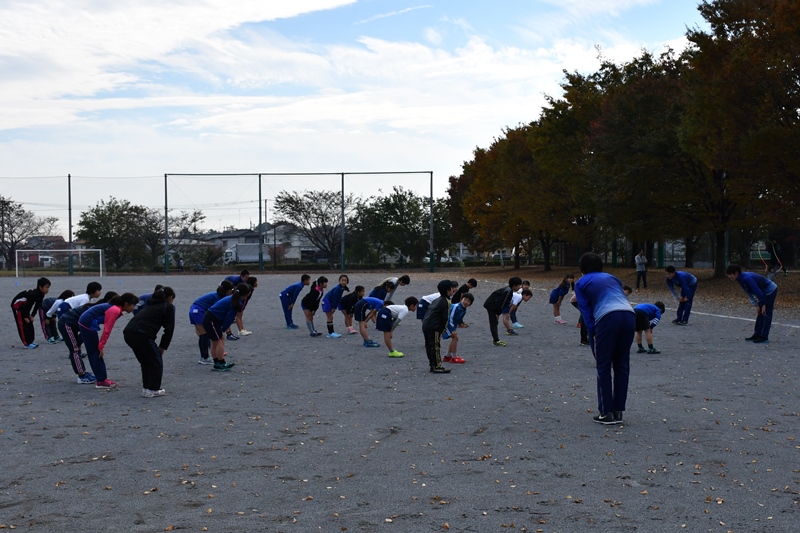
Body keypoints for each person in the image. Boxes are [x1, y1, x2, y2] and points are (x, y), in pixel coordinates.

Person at [574, 252, 635, 425]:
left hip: (607, 319)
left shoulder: (581, 282)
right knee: (622, 365)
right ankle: (618, 411)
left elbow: (585, 310)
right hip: (629, 315)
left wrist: (592, 331)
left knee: (603, 365)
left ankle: (606, 412)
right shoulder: (612, 278)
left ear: (582, 268)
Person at [79, 293, 140, 389]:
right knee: (96, 353)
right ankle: (101, 380)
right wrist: (101, 346)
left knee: (94, 352)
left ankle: (101, 379)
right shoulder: (115, 310)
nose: (134, 308)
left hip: (86, 323)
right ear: (127, 304)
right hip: (87, 324)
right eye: (133, 305)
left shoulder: (116, 308)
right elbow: (107, 330)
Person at [123, 286, 176, 398]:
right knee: (156, 361)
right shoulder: (168, 307)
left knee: (146, 361)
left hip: (128, 332)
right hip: (142, 334)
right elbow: (169, 330)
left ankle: (147, 388)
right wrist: (162, 347)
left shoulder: (150, 305)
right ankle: (153, 389)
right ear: (170, 297)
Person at [58, 292, 118, 384]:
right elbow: (86, 327)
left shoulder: (101, 308)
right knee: (74, 349)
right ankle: (81, 375)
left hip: (75, 324)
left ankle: (84, 372)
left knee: (77, 347)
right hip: (66, 323)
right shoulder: (99, 309)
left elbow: (88, 329)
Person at [203, 283, 252, 371]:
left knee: (215, 341)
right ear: (246, 294)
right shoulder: (236, 302)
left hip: (210, 318)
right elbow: (229, 318)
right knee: (220, 340)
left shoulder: (232, 298)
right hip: (211, 320)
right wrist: (223, 329)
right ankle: (221, 362)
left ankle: (217, 363)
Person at [726, 264, 778, 344]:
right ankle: (757, 334)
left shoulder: (746, 278)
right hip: (762, 293)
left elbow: (757, 291)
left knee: (766, 313)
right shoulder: (740, 279)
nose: (729, 277)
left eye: (730, 274)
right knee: (760, 313)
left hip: (770, 290)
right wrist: (756, 305)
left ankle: (764, 336)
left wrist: (763, 304)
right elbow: (748, 292)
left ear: (736, 273)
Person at [189, 280, 234, 365]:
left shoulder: (216, 295)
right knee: (204, 335)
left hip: (194, 310)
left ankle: (206, 356)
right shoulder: (219, 298)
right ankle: (204, 358)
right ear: (228, 291)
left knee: (203, 335)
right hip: (198, 311)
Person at [422, 280, 455, 373]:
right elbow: (445, 317)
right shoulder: (446, 301)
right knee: (435, 346)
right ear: (449, 290)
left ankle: (432, 364)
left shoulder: (437, 299)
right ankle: (437, 366)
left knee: (429, 345)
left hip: (426, 325)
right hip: (434, 326)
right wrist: (442, 331)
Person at [11, 276, 51, 349]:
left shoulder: (41, 294)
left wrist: (32, 316)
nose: (48, 289)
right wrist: (25, 317)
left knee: (29, 323)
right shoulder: (33, 294)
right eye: (46, 287)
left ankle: (30, 341)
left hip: (24, 307)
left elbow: (37, 305)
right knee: (22, 325)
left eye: (48, 287)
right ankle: (26, 343)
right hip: (18, 306)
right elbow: (28, 306)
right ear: (40, 287)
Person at [483, 277, 522, 347]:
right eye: (519, 285)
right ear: (514, 285)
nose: (520, 287)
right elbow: (502, 303)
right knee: (494, 323)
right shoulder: (508, 291)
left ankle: (496, 340)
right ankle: (496, 340)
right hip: (491, 305)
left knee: (494, 322)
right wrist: (497, 313)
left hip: (492, 305)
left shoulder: (509, 290)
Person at [443, 292, 474, 364]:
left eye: (468, 301)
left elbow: (458, 320)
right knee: (455, 338)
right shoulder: (455, 307)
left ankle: (447, 356)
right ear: (461, 299)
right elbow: (450, 318)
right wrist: (452, 329)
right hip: (445, 324)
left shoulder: (463, 309)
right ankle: (454, 357)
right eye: (465, 299)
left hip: (451, 325)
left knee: (454, 338)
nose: (466, 302)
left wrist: (461, 324)